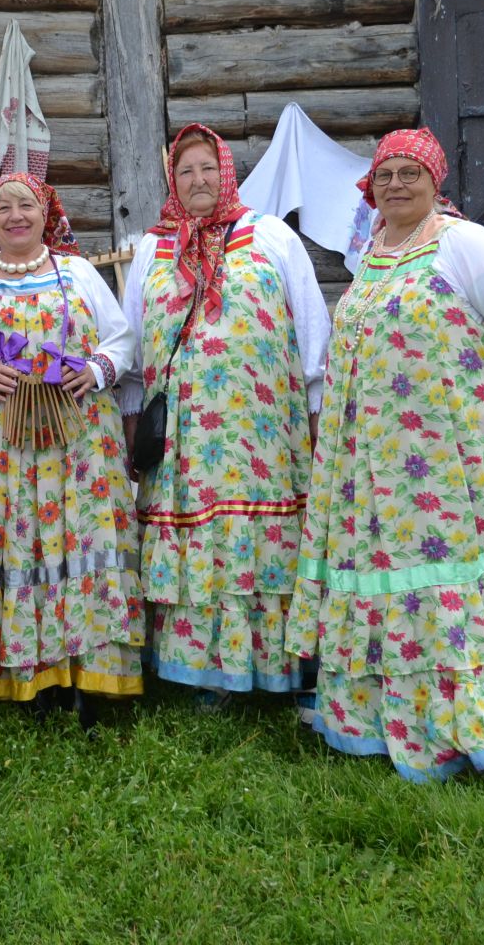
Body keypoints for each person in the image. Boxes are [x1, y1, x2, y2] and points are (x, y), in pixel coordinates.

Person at [284, 127, 484, 781]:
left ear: (436, 182)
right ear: (369, 188)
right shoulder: (373, 251)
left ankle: (452, 721)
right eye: (385, 174)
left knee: (432, 573)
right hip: (364, 460)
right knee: (371, 572)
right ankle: (374, 716)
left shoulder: (464, 244)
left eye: (410, 173)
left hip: (436, 458)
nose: (396, 184)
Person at [120, 124, 330, 701]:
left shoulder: (269, 237)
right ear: (173, 181)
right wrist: (132, 426)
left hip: (265, 440)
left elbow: (312, 331)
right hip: (183, 448)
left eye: (207, 168)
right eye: (185, 171)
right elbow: (133, 352)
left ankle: (281, 670)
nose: (198, 180)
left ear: (227, 172)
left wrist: (318, 418)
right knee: (194, 540)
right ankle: (198, 676)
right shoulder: (151, 249)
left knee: (265, 543)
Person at [0, 172, 142, 718]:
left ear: (47, 215)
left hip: (79, 444)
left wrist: (95, 369)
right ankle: (29, 685)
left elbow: (122, 339)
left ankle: (91, 682)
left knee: (81, 539)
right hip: (6, 449)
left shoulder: (77, 273)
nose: (15, 216)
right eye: (4, 208)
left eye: (27, 205)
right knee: (19, 545)